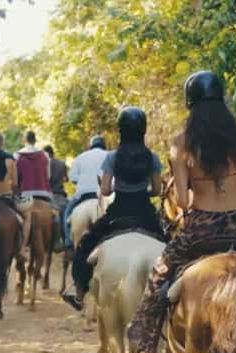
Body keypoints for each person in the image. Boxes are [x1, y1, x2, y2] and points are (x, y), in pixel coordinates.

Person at [126, 71, 236, 353]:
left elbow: (184, 203)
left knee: (158, 280)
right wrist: (233, 189)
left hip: (200, 232)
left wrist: (198, 190)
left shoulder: (182, 143)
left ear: (191, 103)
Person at [61, 107, 166, 311]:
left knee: (84, 246)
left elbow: (107, 190)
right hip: (145, 214)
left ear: (121, 130)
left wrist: (110, 185)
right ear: (143, 129)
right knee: (171, 247)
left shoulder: (113, 157)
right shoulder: (152, 157)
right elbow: (156, 190)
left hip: (117, 214)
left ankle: (79, 293)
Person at [61, 135, 107, 253]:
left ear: (90, 146)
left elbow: (73, 178)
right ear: (104, 145)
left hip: (82, 195)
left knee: (67, 213)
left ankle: (68, 242)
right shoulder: (109, 156)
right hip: (102, 196)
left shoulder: (81, 157)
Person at [15, 130, 59, 249]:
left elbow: (16, 178)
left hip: (25, 195)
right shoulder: (45, 155)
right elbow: (48, 176)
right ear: (35, 140)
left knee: (16, 217)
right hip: (43, 193)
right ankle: (57, 241)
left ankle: (18, 244)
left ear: (24, 140)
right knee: (56, 215)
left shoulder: (17, 155)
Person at [44, 144, 69, 211]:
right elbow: (66, 179)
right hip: (60, 195)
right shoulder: (62, 163)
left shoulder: (44, 164)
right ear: (53, 153)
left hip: (48, 196)